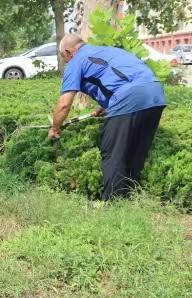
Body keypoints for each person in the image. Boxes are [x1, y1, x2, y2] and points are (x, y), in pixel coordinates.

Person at [49, 33, 166, 200]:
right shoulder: (108, 51)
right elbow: (119, 77)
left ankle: (113, 204)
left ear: (68, 52)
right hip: (156, 94)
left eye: (64, 58)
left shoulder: (76, 61)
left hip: (130, 96)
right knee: (136, 150)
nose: (66, 61)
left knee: (112, 152)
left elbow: (64, 104)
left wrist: (55, 128)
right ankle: (131, 198)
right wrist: (106, 105)